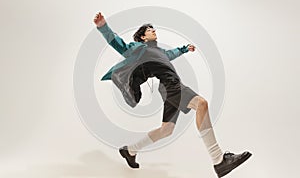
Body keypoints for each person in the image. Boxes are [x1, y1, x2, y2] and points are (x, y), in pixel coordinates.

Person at [94, 12, 252, 177]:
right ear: (142, 37)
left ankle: (130, 150)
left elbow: (172, 54)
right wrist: (103, 27)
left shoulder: (160, 51)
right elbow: (119, 44)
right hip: (171, 86)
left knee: (166, 130)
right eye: (149, 30)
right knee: (201, 104)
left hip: (169, 87)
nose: (153, 30)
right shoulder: (139, 49)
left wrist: (184, 49)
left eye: (153, 29)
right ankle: (219, 160)